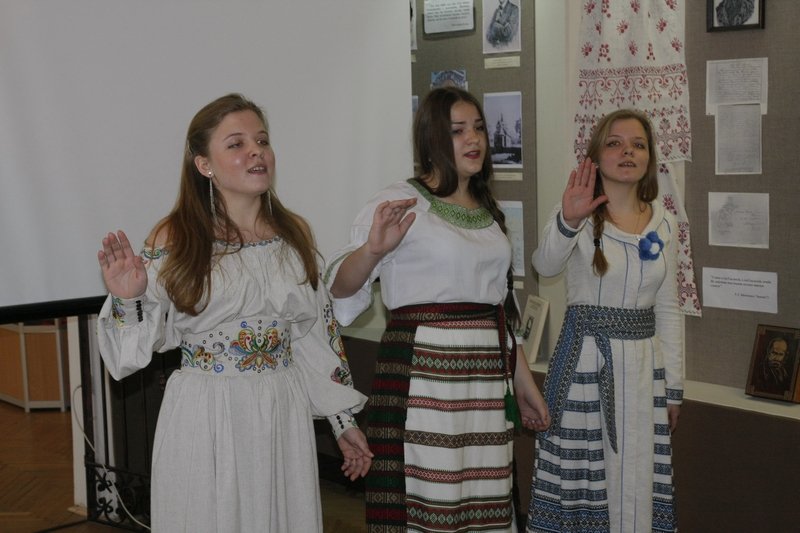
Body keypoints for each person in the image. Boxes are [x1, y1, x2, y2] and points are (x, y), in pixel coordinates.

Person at [95, 93, 372, 532]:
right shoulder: (174, 237)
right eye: (237, 144)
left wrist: (342, 422)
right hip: (207, 411)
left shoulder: (294, 234)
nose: (256, 152)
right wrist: (129, 299)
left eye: (262, 140)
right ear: (204, 164)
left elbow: (313, 336)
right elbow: (129, 355)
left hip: (281, 409)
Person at [325, 86, 550, 532]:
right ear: (431, 139)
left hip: (486, 380)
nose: (474, 139)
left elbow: (498, 309)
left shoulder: (488, 211)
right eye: (458, 131)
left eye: (479, 128)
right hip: (425, 374)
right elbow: (340, 288)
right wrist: (372, 251)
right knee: (429, 495)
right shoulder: (400, 201)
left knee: (483, 494)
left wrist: (523, 382)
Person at [527, 109, 683, 532]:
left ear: (649, 158)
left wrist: (674, 389)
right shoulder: (575, 212)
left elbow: (669, 307)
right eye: (615, 143)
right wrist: (568, 221)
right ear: (595, 156)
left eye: (638, 144)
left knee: (637, 471)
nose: (627, 151)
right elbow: (544, 265)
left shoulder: (665, 223)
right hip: (585, 363)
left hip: (644, 369)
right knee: (585, 473)